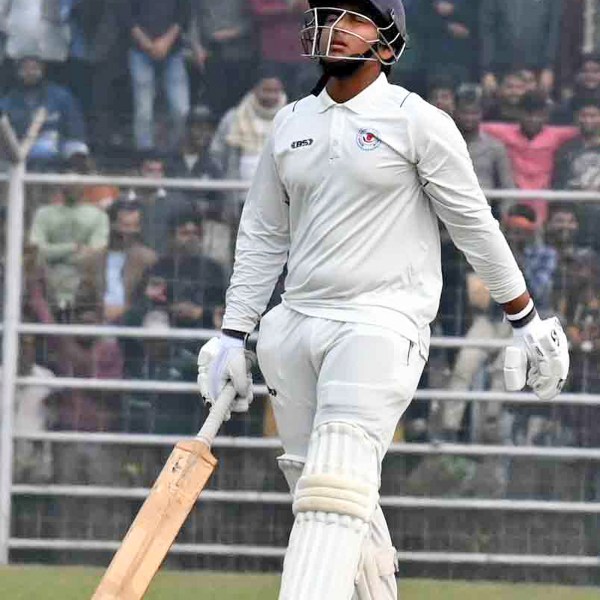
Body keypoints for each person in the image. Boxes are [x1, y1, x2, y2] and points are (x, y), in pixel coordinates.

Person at [196, 2, 570, 598]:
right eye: (327, 15)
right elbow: (263, 232)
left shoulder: (418, 121)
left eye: (355, 18)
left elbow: (473, 223)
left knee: (332, 492)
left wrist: (523, 317)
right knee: (329, 498)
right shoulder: (290, 121)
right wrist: (234, 334)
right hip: (293, 325)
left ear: (389, 45)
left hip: (379, 323)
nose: (336, 27)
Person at [482, 91, 579, 224]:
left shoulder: (556, 135)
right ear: (518, 114)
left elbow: (585, 130)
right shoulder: (504, 132)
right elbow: (472, 124)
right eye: (528, 115)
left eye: (538, 115)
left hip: (542, 198)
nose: (533, 119)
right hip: (514, 196)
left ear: (545, 115)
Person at [29, 164, 109, 315]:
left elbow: (96, 253)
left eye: (76, 183)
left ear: (83, 186)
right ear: (60, 186)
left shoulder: (98, 216)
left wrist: (53, 253)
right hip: (47, 281)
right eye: (68, 183)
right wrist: (73, 247)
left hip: (85, 285)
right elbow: (37, 251)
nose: (72, 187)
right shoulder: (44, 213)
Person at [209, 71, 287, 208]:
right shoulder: (234, 117)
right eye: (266, 90)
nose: (271, 96)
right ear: (255, 90)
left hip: (279, 200)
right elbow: (216, 154)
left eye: (275, 91)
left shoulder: (291, 118)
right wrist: (227, 180)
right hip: (241, 197)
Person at [122, 0, 191, 151]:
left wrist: (165, 42)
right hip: (140, 50)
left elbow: (184, 13)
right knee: (144, 111)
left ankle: (173, 153)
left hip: (173, 51)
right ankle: (145, 154)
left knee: (181, 109)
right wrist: (146, 43)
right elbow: (125, 14)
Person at [0, 56, 89, 169]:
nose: (30, 72)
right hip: (18, 161)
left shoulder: (61, 97)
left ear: (43, 69)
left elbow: (76, 132)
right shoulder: (6, 102)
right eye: (25, 68)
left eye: (34, 68)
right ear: (17, 71)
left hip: (57, 159)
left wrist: (76, 155)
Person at [82, 199, 157, 324]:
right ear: (111, 224)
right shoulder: (93, 259)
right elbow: (83, 299)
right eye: (125, 225)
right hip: (98, 324)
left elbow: (150, 300)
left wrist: (123, 312)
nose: (131, 231)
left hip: (134, 324)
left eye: (135, 225)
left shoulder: (148, 259)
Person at [480, 0, 562, 97]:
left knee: (535, 108)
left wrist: (548, 68)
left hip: (537, 70)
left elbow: (554, 33)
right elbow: (486, 32)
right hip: (502, 69)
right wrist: (487, 71)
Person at [553, 96, 600, 250]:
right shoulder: (567, 149)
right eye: (584, 115)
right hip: (574, 208)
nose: (588, 120)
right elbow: (560, 182)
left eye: (593, 116)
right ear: (577, 118)